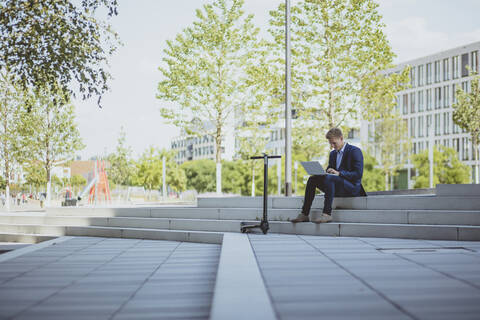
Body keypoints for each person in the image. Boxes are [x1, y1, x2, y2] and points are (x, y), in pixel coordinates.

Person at [292, 127, 366, 224]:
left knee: (330, 179)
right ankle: (305, 214)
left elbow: (358, 174)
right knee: (312, 179)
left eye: (334, 143)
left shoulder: (355, 151)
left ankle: (327, 214)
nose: (332, 146)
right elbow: (330, 169)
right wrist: (324, 173)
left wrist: (339, 173)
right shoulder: (333, 154)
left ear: (341, 138)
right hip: (335, 185)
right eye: (330, 143)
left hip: (351, 187)